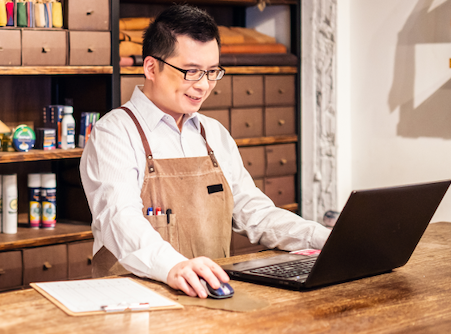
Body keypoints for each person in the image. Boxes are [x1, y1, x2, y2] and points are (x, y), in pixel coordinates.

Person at [80, 4, 330, 299]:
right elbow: (119, 219)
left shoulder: (213, 133)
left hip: (207, 296)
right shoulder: (114, 133)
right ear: (150, 67)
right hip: (134, 301)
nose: (203, 85)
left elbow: (255, 214)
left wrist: (324, 238)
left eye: (212, 72)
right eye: (191, 71)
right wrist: (174, 266)